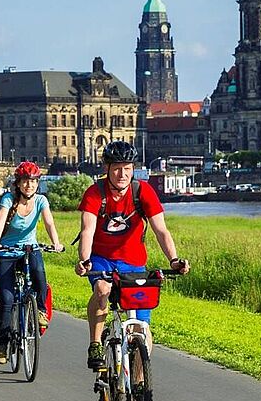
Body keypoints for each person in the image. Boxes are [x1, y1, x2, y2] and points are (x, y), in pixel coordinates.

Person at [74, 140, 190, 370]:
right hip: (101, 258)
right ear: (106, 168)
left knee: (141, 328)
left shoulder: (142, 191)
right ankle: (95, 343)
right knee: (102, 289)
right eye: (117, 168)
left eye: (127, 168)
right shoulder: (95, 192)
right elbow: (87, 230)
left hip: (133, 262)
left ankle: (138, 383)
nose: (122, 174)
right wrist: (85, 260)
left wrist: (174, 260)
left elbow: (161, 230)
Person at [0, 162, 63, 364]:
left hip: (30, 248)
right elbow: (0, 221)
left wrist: (56, 243)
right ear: (18, 184)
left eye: (33, 181)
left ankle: (40, 310)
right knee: (7, 298)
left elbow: (49, 223)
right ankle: (2, 345)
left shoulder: (41, 201)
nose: (29, 185)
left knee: (39, 273)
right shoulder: (8, 199)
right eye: (25, 182)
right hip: (8, 251)